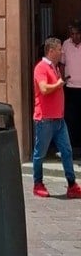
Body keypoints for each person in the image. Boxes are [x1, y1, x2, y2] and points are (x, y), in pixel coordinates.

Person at [32, 38, 81, 198]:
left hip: (59, 120)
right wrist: (58, 85)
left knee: (67, 151)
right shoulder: (41, 68)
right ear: (51, 51)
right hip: (45, 119)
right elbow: (44, 89)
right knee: (40, 153)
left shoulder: (54, 68)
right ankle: (37, 183)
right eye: (59, 49)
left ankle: (72, 184)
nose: (62, 52)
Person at [61, 22, 81, 150]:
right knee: (71, 118)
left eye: (77, 33)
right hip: (70, 87)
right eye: (72, 34)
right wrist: (62, 78)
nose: (75, 36)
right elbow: (62, 64)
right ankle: (72, 146)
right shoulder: (65, 44)